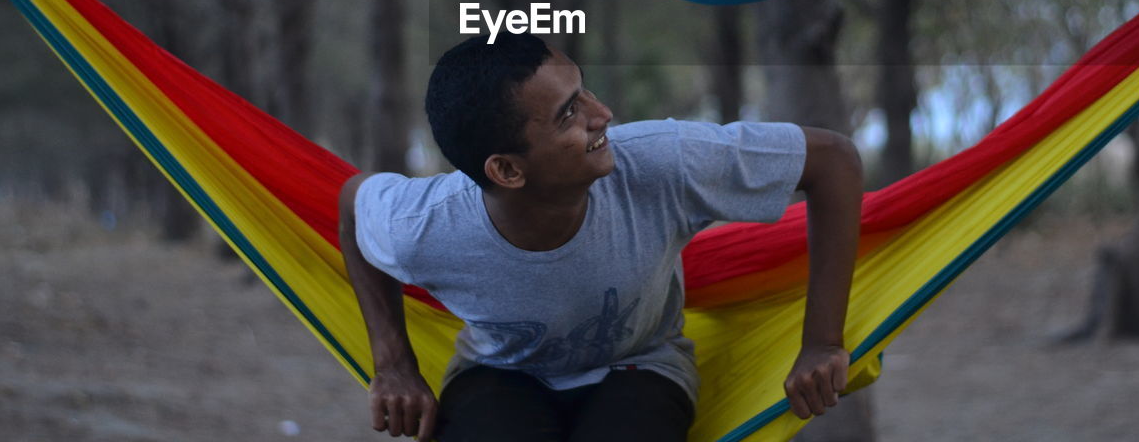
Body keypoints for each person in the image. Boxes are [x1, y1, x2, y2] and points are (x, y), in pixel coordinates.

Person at [339, 33, 863, 441]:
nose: (602, 115)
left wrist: (821, 342)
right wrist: (394, 365)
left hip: (642, 364)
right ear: (506, 170)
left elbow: (833, 161)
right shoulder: (425, 225)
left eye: (582, 90)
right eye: (570, 114)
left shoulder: (663, 160)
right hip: (498, 370)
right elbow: (351, 204)